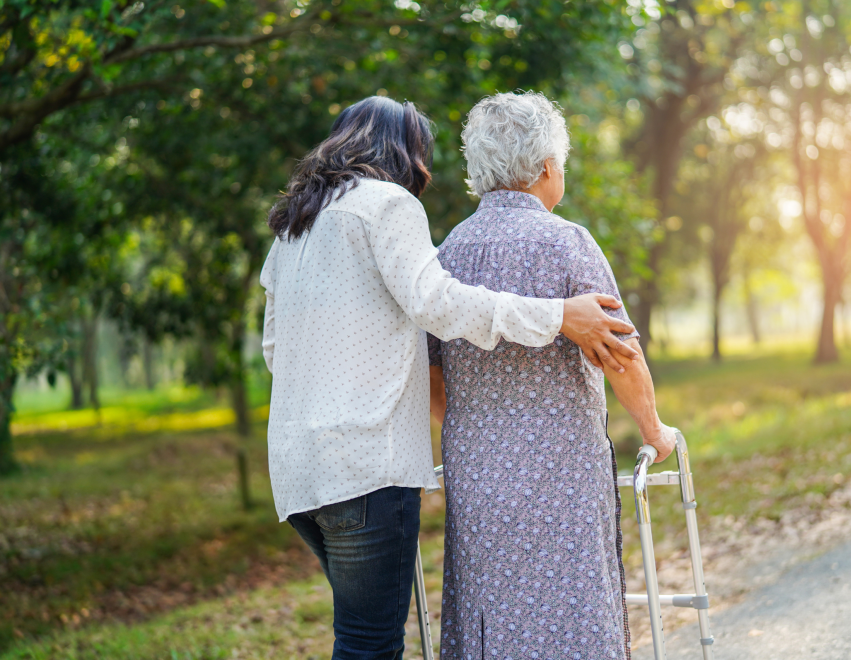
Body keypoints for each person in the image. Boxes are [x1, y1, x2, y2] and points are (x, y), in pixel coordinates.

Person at [259, 95, 641, 659]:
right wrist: (559, 316)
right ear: (402, 151)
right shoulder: (387, 204)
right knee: (370, 644)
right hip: (365, 466)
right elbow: (437, 304)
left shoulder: (294, 225)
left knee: (357, 634)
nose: (424, 170)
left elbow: (276, 349)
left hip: (297, 471)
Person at [428, 91, 678, 660]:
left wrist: (475, 434)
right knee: (573, 611)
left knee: (491, 612)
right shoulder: (567, 243)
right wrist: (654, 430)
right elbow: (622, 355)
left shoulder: (446, 256)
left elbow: (432, 374)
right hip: (562, 471)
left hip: (476, 476)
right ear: (546, 168)